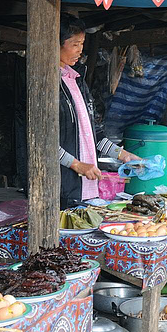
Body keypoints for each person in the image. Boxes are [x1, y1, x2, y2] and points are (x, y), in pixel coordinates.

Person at [58, 13, 139, 209]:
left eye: (82, 44)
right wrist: (76, 165)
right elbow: (41, 143)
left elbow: (94, 134)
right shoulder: (47, 84)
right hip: (61, 187)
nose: (80, 50)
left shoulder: (77, 81)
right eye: (75, 44)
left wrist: (123, 155)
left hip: (85, 189)